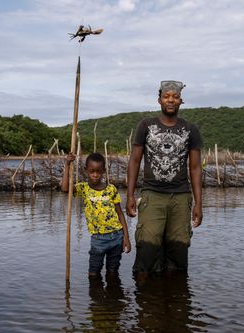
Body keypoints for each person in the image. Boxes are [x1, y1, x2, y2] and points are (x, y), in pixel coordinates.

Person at [126, 80, 203, 281]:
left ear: (181, 101)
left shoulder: (190, 129)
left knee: (178, 249)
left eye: (175, 97)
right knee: (147, 247)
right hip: (152, 194)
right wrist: (130, 196)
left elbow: (195, 168)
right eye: (166, 96)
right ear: (159, 100)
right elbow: (134, 161)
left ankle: (176, 301)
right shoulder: (146, 125)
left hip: (181, 195)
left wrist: (198, 204)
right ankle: (145, 301)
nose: (171, 100)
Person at [62, 152, 131, 277]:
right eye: (91, 171)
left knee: (113, 272)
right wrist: (67, 165)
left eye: (98, 171)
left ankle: (113, 296)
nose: (95, 175)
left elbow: (120, 214)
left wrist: (126, 238)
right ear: (86, 171)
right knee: (93, 273)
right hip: (98, 239)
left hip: (117, 236)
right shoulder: (83, 188)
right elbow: (65, 189)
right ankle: (96, 296)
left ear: (103, 171)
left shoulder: (111, 189)